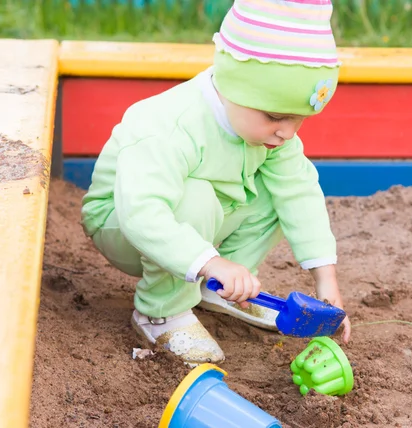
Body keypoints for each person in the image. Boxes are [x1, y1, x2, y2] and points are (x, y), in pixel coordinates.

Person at [80, 0, 351, 366]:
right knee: (197, 196)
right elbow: (143, 213)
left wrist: (325, 280)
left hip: (198, 218)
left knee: (278, 191)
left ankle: (220, 289)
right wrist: (210, 260)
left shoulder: (271, 134)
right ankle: (162, 311)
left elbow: (299, 193)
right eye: (276, 116)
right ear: (233, 85)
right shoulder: (172, 125)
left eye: (299, 120)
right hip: (123, 222)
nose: (287, 132)